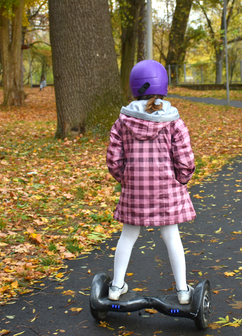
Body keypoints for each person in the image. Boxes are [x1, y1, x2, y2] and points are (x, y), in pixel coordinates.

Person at [106, 60, 196, 304]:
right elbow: (185, 160)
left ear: (134, 87)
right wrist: (181, 180)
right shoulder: (173, 121)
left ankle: (115, 287)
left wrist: (126, 179)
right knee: (171, 236)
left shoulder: (122, 121)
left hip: (135, 191)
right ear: (163, 86)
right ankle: (183, 291)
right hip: (167, 191)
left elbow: (114, 160)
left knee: (128, 236)